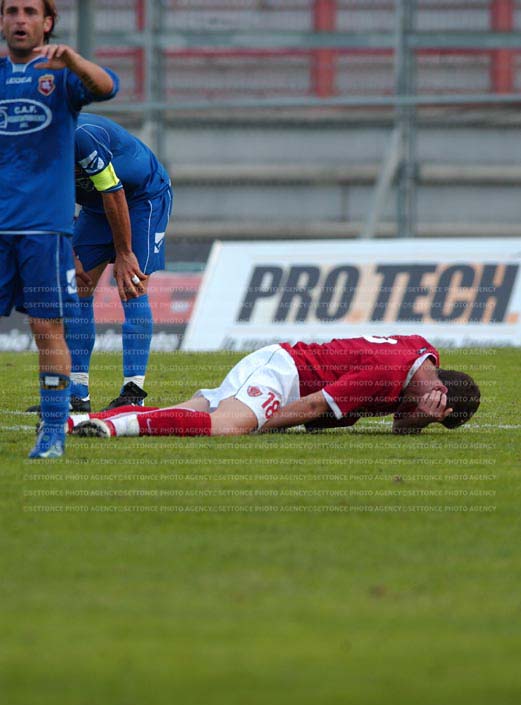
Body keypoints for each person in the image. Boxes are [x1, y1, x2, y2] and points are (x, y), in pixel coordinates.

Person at [0, 0, 118, 458]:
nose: (20, 19)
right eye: (11, 11)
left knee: (46, 326)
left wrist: (72, 58)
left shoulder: (62, 74)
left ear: (47, 22)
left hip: (43, 229)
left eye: (30, 11)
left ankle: (52, 431)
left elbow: (108, 86)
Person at [66, 334, 481, 439]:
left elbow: (400, 424)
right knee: (229, 426)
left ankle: (80, 422)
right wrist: (258, 422)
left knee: (196, 413)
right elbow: (314, 407)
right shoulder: (388, 373)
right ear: (440, 395)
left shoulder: (424, 355)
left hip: (281, 365)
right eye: (436, 415)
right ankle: (115, 429)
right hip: (284, 373)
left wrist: (420, 417)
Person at [66, 112, 173, 411]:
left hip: (142, 198)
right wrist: (69, 254)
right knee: (76, 288)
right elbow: (47, 201)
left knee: (132, 285)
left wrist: (124, 254)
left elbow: (114, 192)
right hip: (97, 205)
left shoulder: (80, 136)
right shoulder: (26, 144)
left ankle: (133, 393)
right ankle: (77, 393)